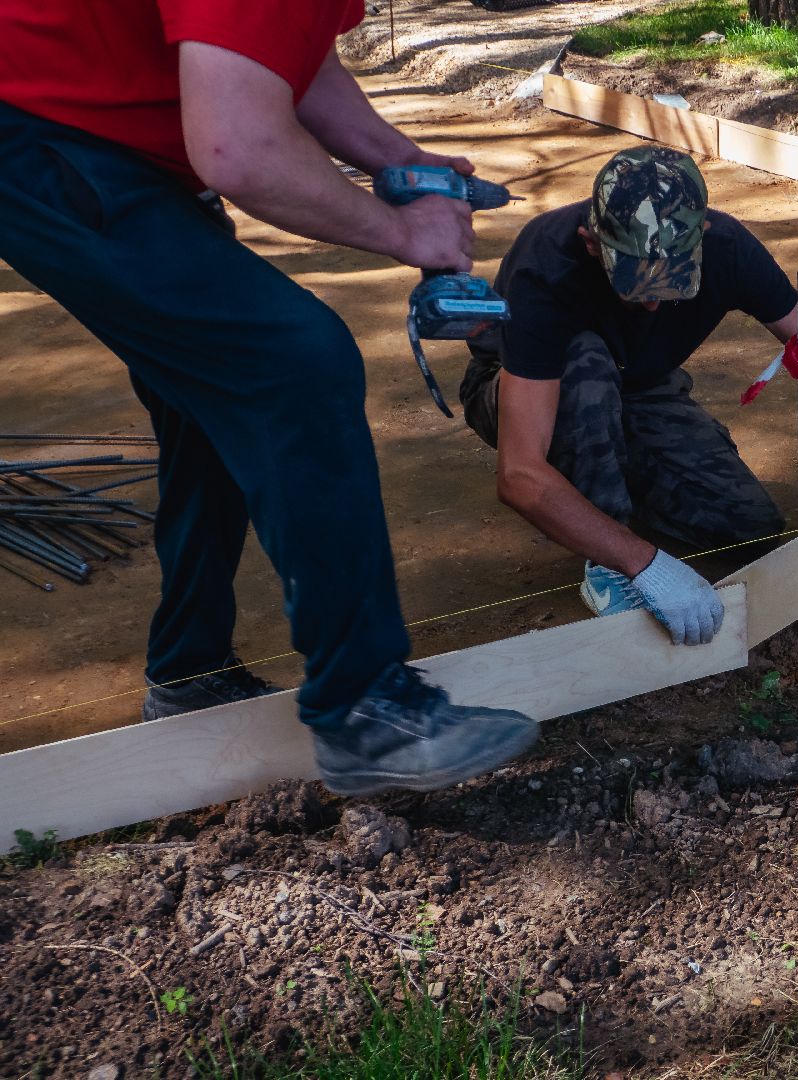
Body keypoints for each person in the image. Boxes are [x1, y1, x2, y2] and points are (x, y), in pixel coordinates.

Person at [0, 0, 538, 795]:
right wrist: (404, 233)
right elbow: (237, 148)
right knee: (293, 361)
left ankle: (190, 671)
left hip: (103, 131)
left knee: (211, 392)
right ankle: (365, 710)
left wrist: (399, 158)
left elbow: (291, 52)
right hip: (43, 135)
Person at [459, 146, 798, 645]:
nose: (649, 304)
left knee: (746, 525)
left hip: (639, 387)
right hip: (526, 387)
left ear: (702, 235)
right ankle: (607, 565)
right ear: (590, 241)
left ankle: (610, 476)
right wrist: (641, 563)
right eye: (633, 284)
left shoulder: (728, 248)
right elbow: (519, 474)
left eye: (669, 285)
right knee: (586, 365)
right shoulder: (547, 264)